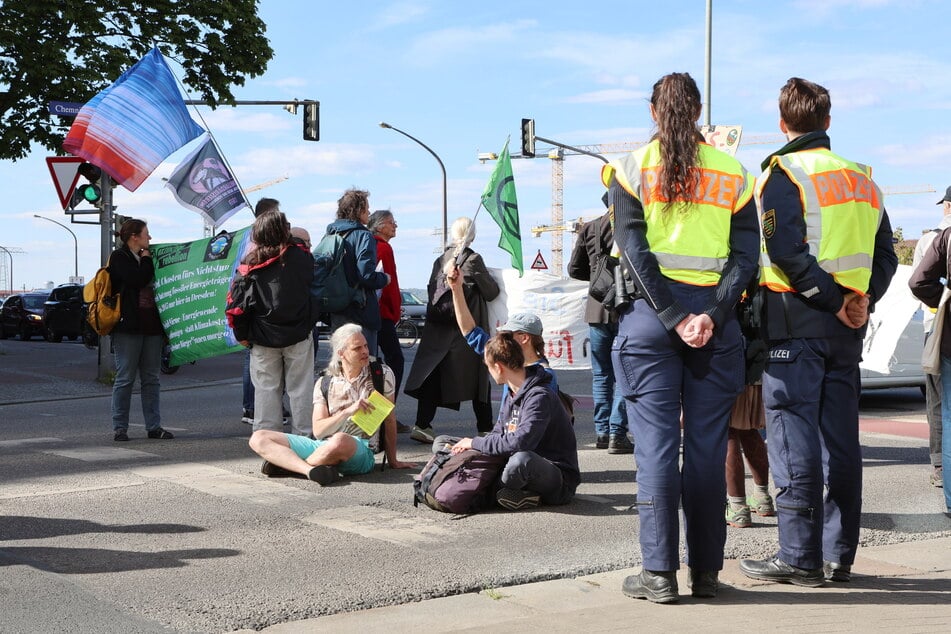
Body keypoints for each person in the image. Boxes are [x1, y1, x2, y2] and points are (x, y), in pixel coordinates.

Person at [606, 72, 759, 603]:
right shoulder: (734, 173)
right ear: (697, 111)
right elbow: (746, 260)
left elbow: (633, 252)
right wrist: (710, 316)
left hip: (651, 324)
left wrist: (672, 316)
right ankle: (709, 574)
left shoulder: (629, 169)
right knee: (705, 452)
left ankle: (659, 576)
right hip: (715, 328)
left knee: (654, 450)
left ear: (654, 111)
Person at [739, 77, 897, 587]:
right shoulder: (863, 179)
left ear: (783, 125)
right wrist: (857, 302)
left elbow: (784, 252)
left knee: (792, 440)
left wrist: (833, 302)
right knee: (841, 443)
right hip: (844, 332)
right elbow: (887, 256)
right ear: (828, 122)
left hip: (794, 326)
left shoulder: (781, 173)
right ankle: (839, 555)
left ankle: (799, 558)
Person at [248, 323, 415, 483]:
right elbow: (319, 431)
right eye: (357, 348)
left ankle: (290, 465)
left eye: (365, 345)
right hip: (324, 444)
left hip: (362, 449)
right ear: (341, 353)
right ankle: (309, 470)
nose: (365, 351)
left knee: (340, 440)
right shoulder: (325, 382)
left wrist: (393, 460)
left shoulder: (381, 373)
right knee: (259, 437)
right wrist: (347, 412)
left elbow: (389, 419)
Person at [439, 333, 579, 510]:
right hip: (511, 457)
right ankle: (505, 492)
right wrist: (470, 446)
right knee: (443, 442)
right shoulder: (513, 391)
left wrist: (475, 443)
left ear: (498, 367)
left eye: (488, 366)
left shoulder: (539, 396)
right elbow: (499, 432)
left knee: (521, 462)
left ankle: (485, 491)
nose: (488, 371)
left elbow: (522, 441)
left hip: (555, 476)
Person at [404, 217, 500, 443]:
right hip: (464, 329)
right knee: (479, 378)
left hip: (438, 330)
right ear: (472, 235)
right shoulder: (473, 259)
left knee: (432, 376)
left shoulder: (440, 260)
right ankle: (485, 428)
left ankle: (422, 425)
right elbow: (491, 292)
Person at [226, 210, 318, 437]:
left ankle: (268, 442)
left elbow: (237, 305)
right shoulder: (302, 257)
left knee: (266, 391)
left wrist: (242, 335)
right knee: (301, 390)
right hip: (298, 333)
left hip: (263, 337)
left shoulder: (250, 263)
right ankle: (303, 439)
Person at [567, 211, 633, 454]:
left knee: (601, 374)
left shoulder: (591, 227)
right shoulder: (634, 220)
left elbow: (574, 269)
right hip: (627, 308)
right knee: (627, 371)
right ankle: (617, 432)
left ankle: (602, 432)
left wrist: (598, 276)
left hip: (597, 308)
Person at [109, 218, 173, 442]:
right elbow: (137, 280)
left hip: (152, 327)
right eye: (147, 234)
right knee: (125, 377)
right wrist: (146, 259)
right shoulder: (119, 257)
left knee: (151, 378)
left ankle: (154, 426)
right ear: (134, 237)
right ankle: (120, 427)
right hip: (128, 327)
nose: (150, 238)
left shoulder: (149, 258)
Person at [911, 187, 951, 488]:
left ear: (947, 206)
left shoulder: (932, 238)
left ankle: (940, 467)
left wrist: (943, 301)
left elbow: (918, 282)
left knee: (940, 403)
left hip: (938, 328)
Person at [724, 290, 773, 528]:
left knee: (730, 431)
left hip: (733, 358)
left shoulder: (733, 267)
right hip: (760, 358)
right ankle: (762, 496)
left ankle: (737, 506)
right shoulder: (763, 266)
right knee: (749, 430)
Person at [325, 189, 390, 354]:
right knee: (364, 362)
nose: (369, 212)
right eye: (366, 208)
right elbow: (366, 275)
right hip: (360, 310)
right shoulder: (363, 235)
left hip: (336, 309)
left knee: (341, 361)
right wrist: (384, 278)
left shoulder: (330, 235)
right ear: (358, 211)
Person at [241, 197, 281, 425]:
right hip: (258, 310)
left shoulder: (252, 237)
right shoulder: (257, 240)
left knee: (257, 364)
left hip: (255, 309)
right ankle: (252, 408)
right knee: (255, 363)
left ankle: (256, 408)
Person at [367, 209, 406, 432]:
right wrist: (394, 311)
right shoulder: (383, 247)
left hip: (371, 312)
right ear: (380, 226)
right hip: (382, 314)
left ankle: (378, 416)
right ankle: (385, 414)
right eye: (392, 223)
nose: (395, 226)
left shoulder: (370, 245)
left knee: (376, 361)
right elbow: (388, 285)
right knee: (394, 362)